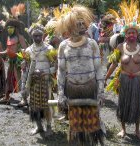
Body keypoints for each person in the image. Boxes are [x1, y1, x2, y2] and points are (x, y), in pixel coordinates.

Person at [104, 0, 140, 139]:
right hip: (123, 79)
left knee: (137, 104)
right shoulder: (119, 47)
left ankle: (137, 130)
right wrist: (105, 78)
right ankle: (123, 129)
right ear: (125, 33)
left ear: (137, 34)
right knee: (123, 104)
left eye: (133, 33)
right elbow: (113, 64)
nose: (131, 35)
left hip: (137, 80)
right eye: (128, 32)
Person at [56, 5, 105, 146]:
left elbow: (98, 69)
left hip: (90, 88)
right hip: (73, 89)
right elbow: (61, 71)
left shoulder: (92, 44)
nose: (82, 27)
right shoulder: (63, 46)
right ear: (70, 27)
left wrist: (100, 92)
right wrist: (60, 94)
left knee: (91, 125)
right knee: (76, 126)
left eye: (84, 23)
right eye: (78, 24)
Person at [25, 24, 56, 136]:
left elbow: (54, 67)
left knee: (47, 104)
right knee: (34, 104)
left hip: (45, 81)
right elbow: (27, 68)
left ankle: (49, 127)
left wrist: (46, 73)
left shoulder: (49, 49)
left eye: (39, 36)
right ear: (32, 36)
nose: (37, 38)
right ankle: (38, 126)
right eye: (35, 36)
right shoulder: (28, 50)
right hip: (33, 82)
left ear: (43, 35)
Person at [0, 18, 27, 104]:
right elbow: (7, 50)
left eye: (11, 27)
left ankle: (23, 99)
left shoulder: (20, 37)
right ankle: (7, 97)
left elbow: (25, 49)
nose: (9, 29)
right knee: (8, 79)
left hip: (18, 62)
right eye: (8, 27)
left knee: (20, 80)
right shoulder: (9, 38)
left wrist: (22, 59)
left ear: (15, 28)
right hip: (10, 61)